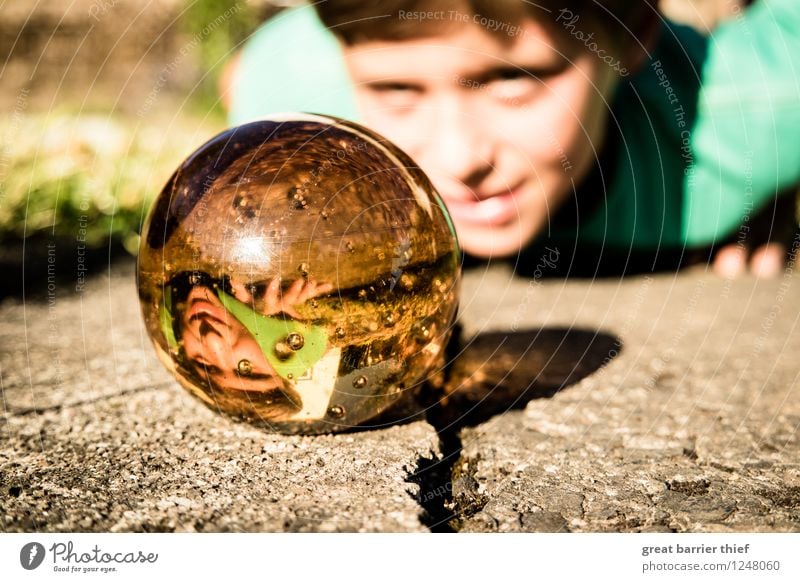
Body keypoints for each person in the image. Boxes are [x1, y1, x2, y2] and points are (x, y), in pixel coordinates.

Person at [225, 0, 800, 277]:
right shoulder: (300, 107)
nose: (459, 159)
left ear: (631, 36)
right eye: (395, 88)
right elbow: (253, 72)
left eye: (511, 79)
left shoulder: (752, 116)